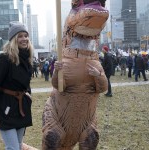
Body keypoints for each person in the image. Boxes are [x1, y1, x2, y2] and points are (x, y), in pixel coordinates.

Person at [42, 0, 108, 149]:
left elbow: (102, 88)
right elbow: (58, 86)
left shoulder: (95, 62)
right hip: (58, 119)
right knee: (52, 138)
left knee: (91, 138)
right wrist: (57, 71)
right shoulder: (64, 61)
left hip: (86, 120)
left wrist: (98, 75)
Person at [0, 22, 34, 150]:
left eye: (25, 36)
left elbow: (26, 82)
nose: (24, 39)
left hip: (21, 108)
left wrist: (28, 95)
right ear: (13, 39)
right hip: (5, 108)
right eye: (20, 36)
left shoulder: (27, 57)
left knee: (18, 146)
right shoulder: (5, 58)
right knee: (12, 147)